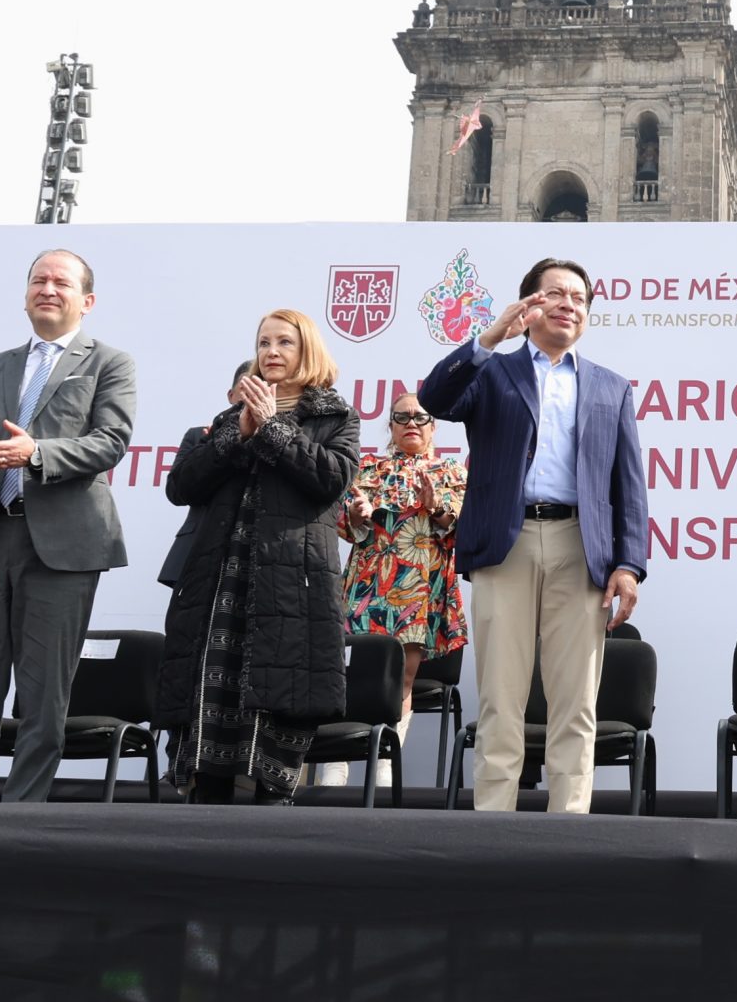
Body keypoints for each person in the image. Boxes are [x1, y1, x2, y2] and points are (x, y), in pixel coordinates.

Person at [422, 257, 647, 813]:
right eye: (556, 294)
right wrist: (491, 337)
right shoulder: (493, 373)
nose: (569, 304)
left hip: (582, 546)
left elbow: (629, 485)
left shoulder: (610, 387)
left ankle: (568, 823)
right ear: (529, 305)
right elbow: (433, 399)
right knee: (501, 695)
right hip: (508, 542)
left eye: (579, 298)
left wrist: (628, 564)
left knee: (577, 701)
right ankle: (493, 822)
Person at [0, 250, 138, 802]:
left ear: (86, 301)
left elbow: (111, 441)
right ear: (25, 295)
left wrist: (36, 453)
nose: (48, 288)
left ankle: (22, 816)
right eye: (39, 280)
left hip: (63, 548)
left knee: (43, 695)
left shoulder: (109, 363)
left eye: (62, 282)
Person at [154, 310, 357, 803]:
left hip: (291, 588)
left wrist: (273, 428)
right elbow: (181, 487)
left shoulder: (335, 417)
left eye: (284, 342)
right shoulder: (228, 418)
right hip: (221, 583)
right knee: (210, 725)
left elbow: (332, 480)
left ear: (306, 351)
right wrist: (238, 434)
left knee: (277, 704)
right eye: (264, 342)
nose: (271, 352)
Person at [340, 391, 468, 720]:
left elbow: (463, 524)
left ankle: (384, 767)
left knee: (402, 680)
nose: (411, 423)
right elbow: (340, 521)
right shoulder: (367, 470)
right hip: (368, 589)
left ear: (433, 426)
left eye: (420, 417)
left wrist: (436, 506)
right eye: (402, 417)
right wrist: (358, 514)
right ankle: (334, 771)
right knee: (347, 679)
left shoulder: (451, 473)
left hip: (420, 590)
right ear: (391, 426)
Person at [158, 362, 249, 594]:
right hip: (195, 552)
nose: (252, 394)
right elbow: (176, 492)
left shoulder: (280, 440)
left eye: (261, 387)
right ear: (231, 395)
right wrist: (217, 446)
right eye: (246, 386)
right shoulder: (200, 435)